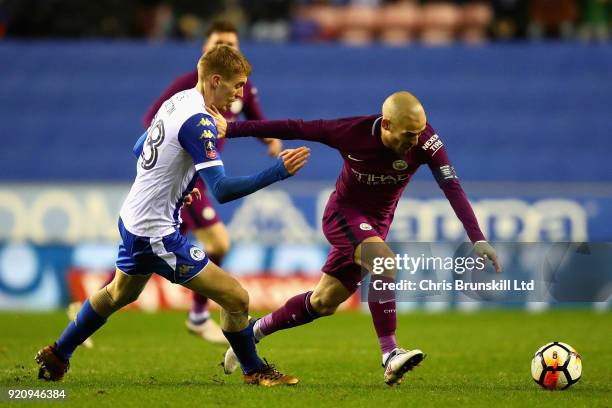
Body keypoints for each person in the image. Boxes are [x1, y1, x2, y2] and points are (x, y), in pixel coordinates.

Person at [35, 45, 310, 386]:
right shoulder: (200, 122)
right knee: (236, 297)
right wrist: (277, 172)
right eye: (236, 86)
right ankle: (254, 371)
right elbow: (222, 190)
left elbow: (142, 148)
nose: (240, 95)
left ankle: (58, 354)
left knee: (119, 293)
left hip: (134, 217)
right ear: (215, 80)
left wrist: (181, 182)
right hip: (155, 232)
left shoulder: (178, 101)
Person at [215, 91, 501, 386]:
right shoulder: (352, 132)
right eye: (408, 134)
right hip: (343, 215)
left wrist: (477, 238)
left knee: (324, 302)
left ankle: (252, 332)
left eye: (419, 132)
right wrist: (232, 129)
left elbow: (451, 186)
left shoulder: (427, 141)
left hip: (375, 226)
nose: (415, 141)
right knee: (385, 261)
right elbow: (295, 127)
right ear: (387, 125)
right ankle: (390, 354)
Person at [69, 20, 282, 345]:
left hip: (187, 183)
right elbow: (152, 128)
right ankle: (201, 319)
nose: (225, 49)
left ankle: (76, 325)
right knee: (217, 247)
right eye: (218, 44)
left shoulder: (241, 88)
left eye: (231, 44)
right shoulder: (187, 93)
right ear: (205, 53)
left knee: (135, 271)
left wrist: (268, 139)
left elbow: (254, 116)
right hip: (191, 181)